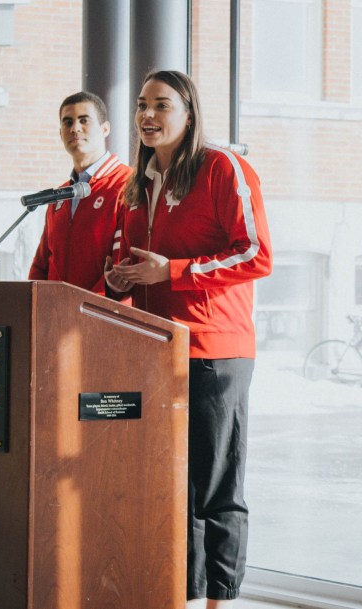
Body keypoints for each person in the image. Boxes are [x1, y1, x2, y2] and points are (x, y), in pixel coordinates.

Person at [103, 70, 273, 608]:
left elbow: (257, 255)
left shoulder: (224, 169)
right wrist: (120, 278)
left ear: (190, 112)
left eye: (161, 105)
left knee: (216, 488)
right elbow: (129, 260)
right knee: (170, 487)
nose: (147, 115)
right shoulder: (138, 182)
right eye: (141, 105)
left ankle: (221, 601)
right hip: (154, 352)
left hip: (213, 353)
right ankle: (181, 594)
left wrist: (172, 272)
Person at [28, 91, 131, 294]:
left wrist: (81, 309)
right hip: (55, 317)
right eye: (67, 122)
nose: (75, 128)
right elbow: (41, 266)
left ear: (105, 129)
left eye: (84, 120)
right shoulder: (59, 196)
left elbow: (122, 267)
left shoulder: (127, 184)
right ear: (60, 133)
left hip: (100, 316)